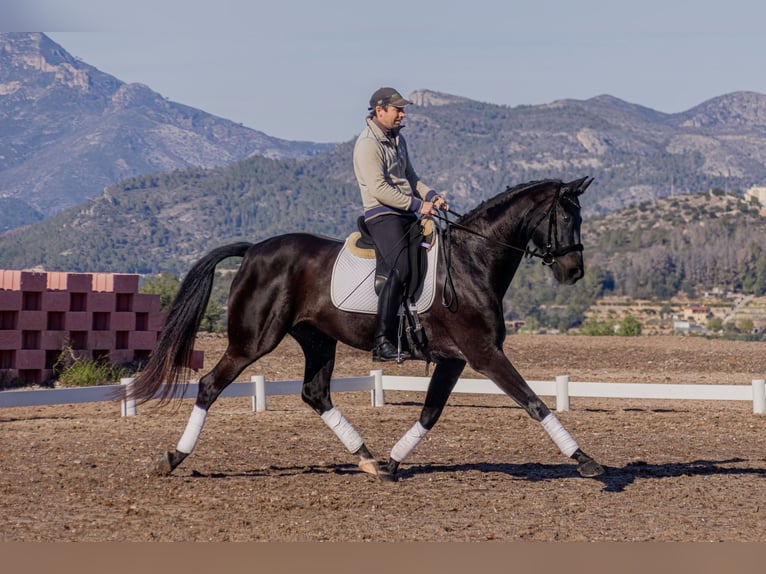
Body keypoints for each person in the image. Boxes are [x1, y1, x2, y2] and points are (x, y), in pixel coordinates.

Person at [353, 87, 448, 362]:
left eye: (402, 109)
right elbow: (380, 189)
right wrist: (419, 206)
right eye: (398, 110)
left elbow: (411, 177)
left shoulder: (397, 139)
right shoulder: (368, 145)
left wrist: (431, 196)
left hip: (405, 212)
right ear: (379, 110)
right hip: (382, 214)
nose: (402, 114)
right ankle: (382, 341)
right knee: (401, 267)